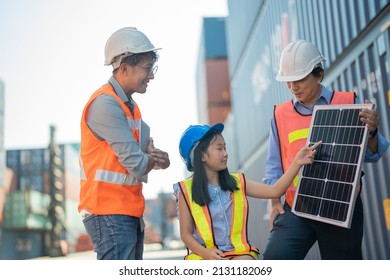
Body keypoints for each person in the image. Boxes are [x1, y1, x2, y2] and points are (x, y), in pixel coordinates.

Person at [262, 39, 390, 260]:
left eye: (299, 80)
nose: (293, 87)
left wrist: (371, 131)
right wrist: (273, 203)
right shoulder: (279, 115)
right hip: (297, 208)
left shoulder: (349, 102)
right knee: (275, 259)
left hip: (342, 207)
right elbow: (274, 166)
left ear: (319, 75)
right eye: (288, 82)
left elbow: (372, 154)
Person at [78, 27, 170, 260]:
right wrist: (151, 160)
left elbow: (142, 156)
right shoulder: (105, 104)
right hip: (108, 212)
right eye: (148, 69)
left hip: (125, 211)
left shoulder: (130, 107)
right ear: (125, 68)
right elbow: (137, 163)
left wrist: (161, 161)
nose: (152, 75)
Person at [173, 123, 320, 260]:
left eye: (225, 148)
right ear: (201, 155)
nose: (225, 154)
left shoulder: (237, 182)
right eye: (219, 149)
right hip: (203, 256)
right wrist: (207, 253)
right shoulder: (185, 191)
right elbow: (186, 234)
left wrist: (297, 163)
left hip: (239, 254)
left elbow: (275, 191)